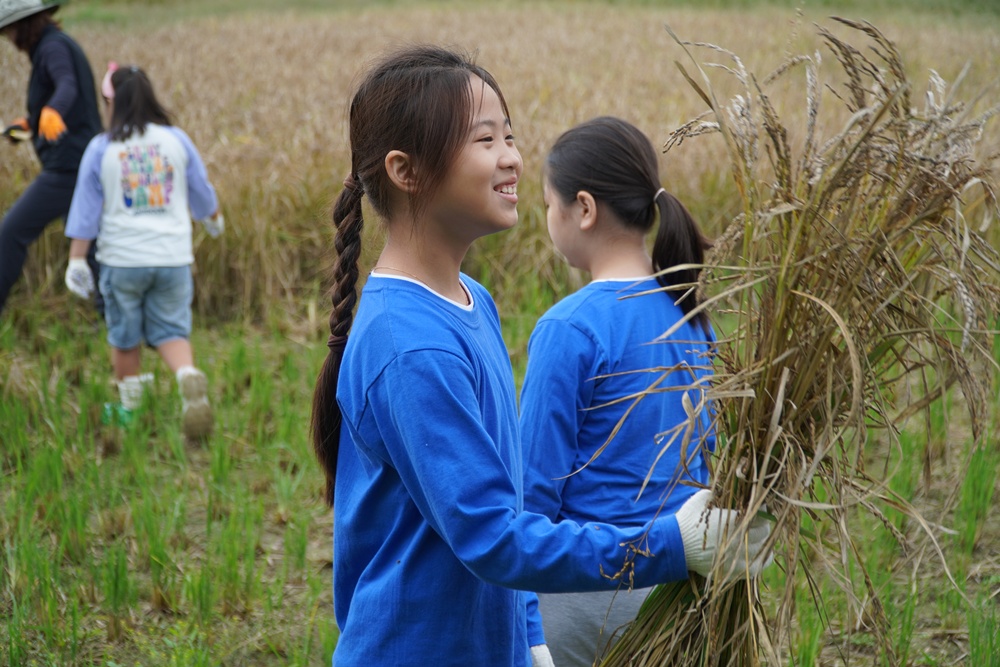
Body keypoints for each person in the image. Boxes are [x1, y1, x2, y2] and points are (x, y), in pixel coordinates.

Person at [311, 45, 771, 667]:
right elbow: (493, 533)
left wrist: (526, 635)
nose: (513, 158)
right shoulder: (410, 344)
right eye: (484, 139)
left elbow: (512, 499)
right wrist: (668, 544)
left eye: (510, 134)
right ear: (406, 170)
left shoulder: (472, 300)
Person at [519, 116, 717, 666]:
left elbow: (530, 503)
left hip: (587, 603)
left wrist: (530, 633)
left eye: (546, 204)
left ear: (582, 208)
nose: (546, 218)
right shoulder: (693, 316)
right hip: (684, 598)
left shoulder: (569, 328)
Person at [64, 63, 224, 438]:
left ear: (113, 103)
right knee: (171, 328)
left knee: (124, 334)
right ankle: (187, 378)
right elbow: (201, 190)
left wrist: (76, 259)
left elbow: (86, 209)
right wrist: (212, 218)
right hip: (172, 258)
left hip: (122, 261)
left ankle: (128, 412)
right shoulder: (176, 140)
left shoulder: (102, 147)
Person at [0, 0, 103, 317]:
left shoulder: (52, 48)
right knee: (95, 246)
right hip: (81, 164)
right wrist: (30, 123)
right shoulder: (53, 45)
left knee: (10, 234)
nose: (9, 39)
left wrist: (52, 110)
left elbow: (67, 85)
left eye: (8, 31)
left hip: (67, 169)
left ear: (23, 25)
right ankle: (115, 321)